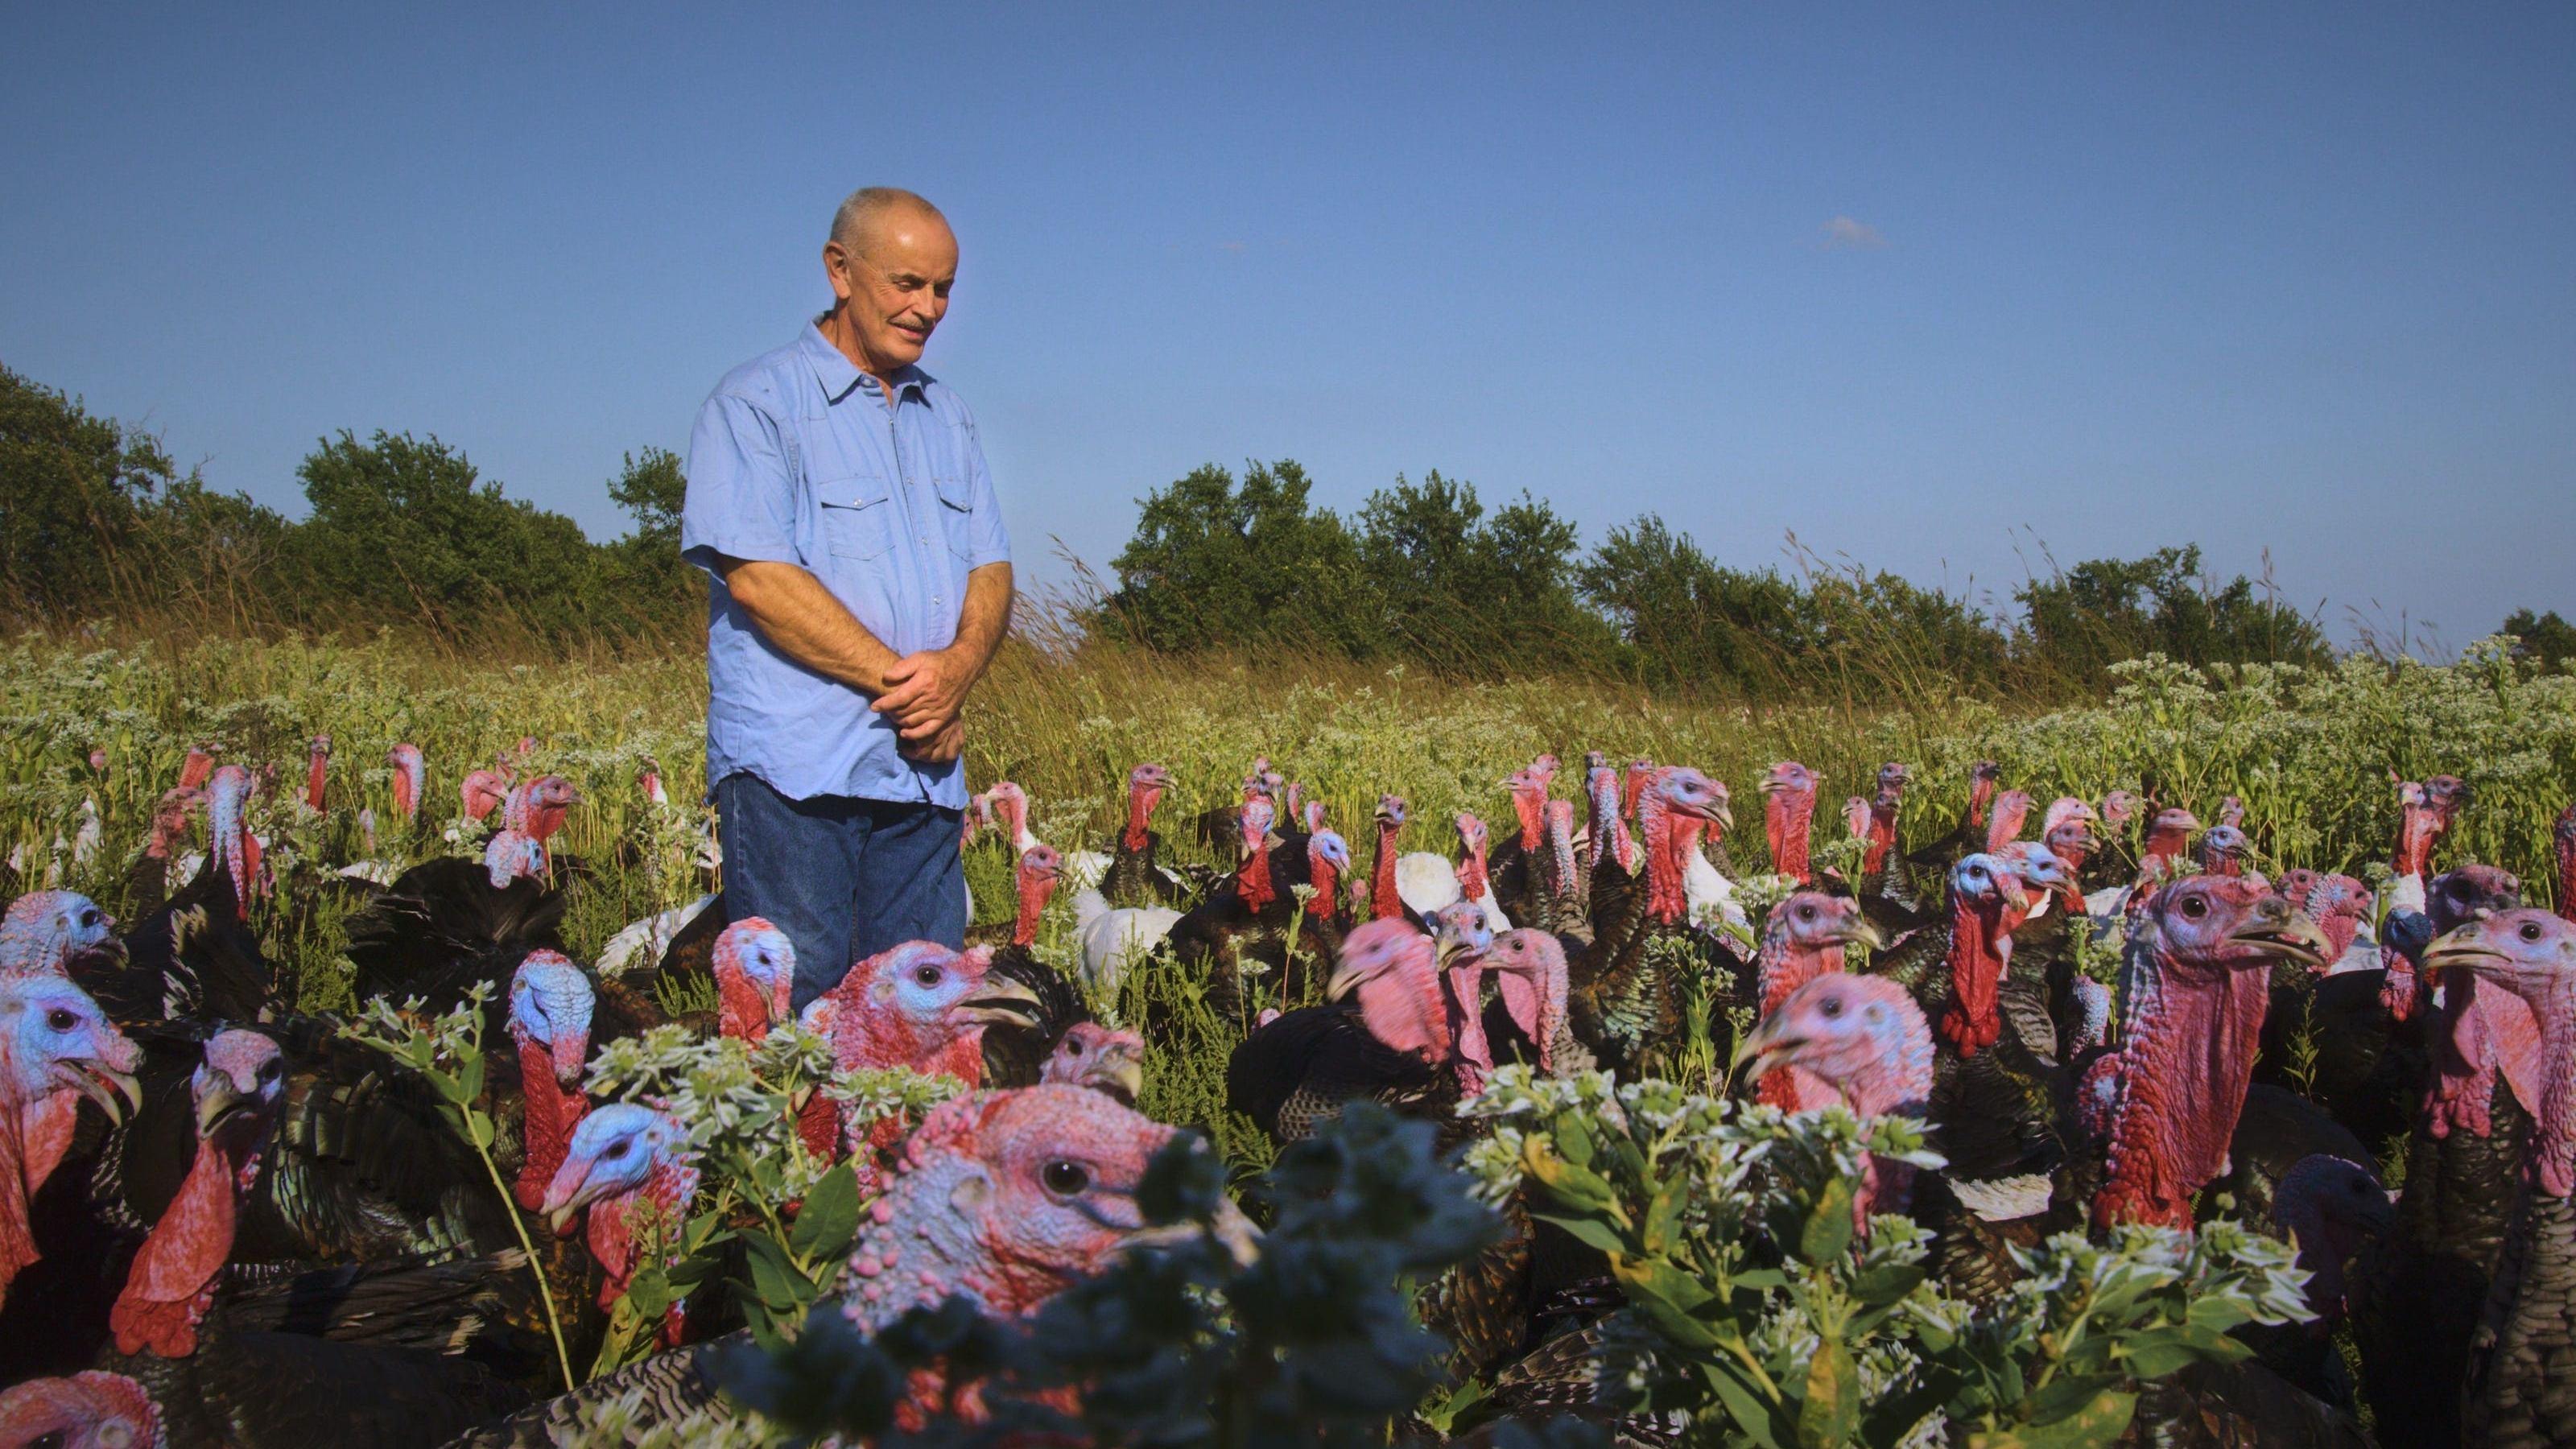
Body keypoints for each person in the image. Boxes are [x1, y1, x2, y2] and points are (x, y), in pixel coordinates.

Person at [680, 187, 1012, 1009]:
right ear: (839, 270)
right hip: (798, 776)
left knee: (917, 1017)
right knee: (800, 1009)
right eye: (907, 283)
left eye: (943, 289)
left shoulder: (949, 418)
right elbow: (760, 578)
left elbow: (991, 567)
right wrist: (915, 689)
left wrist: (957, 672)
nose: (928, 308)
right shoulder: (757, 404)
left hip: (922, 774)